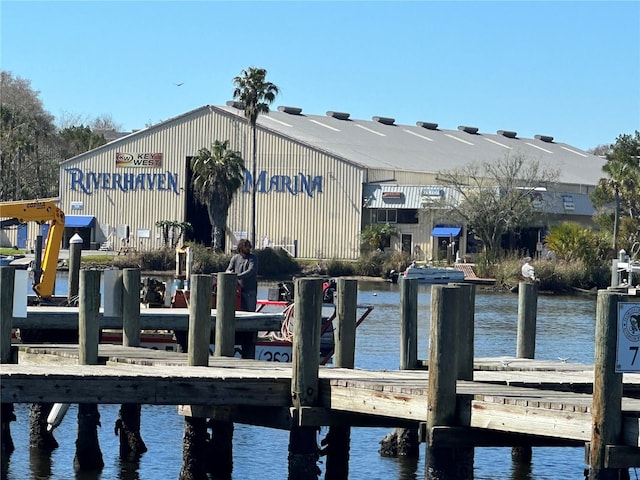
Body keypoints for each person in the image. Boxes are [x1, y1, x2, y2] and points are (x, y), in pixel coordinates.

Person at [226, 239, 258, 311]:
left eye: (249, 246)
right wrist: (229, 273)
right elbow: (228, 269)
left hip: (250, 291)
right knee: (238, 311)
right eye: (246, 246)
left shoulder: (253, 258)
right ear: (240, 247)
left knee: (250, 313)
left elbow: (251, 270)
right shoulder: (235, 258)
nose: (248, 248)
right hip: (237, 291)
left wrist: (237, 276)